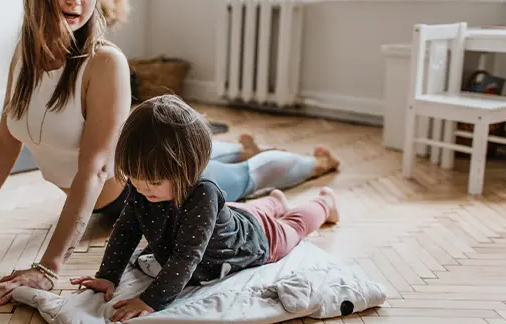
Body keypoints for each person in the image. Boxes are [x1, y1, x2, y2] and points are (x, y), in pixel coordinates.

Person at [0, 0, 340, 307]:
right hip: (132, 189)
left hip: (155, 191)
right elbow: (2, 145)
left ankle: (314, 166)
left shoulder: (104, 63)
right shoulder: (24, 57)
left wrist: (48, 268)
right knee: (228, 167)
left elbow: (94, 170)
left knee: (245, 176)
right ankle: (233, 150)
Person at [71, 95, 340, 322]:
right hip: (233, 216)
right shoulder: (144, 189)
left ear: (187, 170)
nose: (142, 189)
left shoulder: (203, 193)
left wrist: (149, 300)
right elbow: (126, 230)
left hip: (256, 238)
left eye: (153, 182)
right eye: (135, 180)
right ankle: (275, 201)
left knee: (292, 226)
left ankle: (324, 203)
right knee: (248, 210)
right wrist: (108, 275)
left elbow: (186, 256)